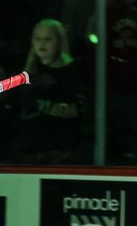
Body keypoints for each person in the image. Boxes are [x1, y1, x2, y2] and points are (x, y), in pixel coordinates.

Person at [11, 19, 85, 164]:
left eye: (48, 39)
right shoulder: (26, 74)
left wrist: (45, 104)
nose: (42, 44)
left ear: (59, 41)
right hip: (29, 150)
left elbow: (76, 110)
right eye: (37, 39)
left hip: (58, 151)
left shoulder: (70, 72)